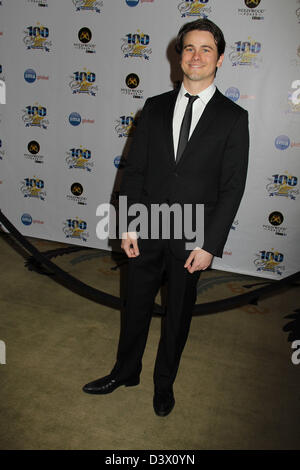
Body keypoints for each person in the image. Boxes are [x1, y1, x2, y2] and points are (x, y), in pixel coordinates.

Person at [83, 19, 249, 417]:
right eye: (189, 48)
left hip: (193, 235)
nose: (196, 56)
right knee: (135, 304)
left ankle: (164, 384)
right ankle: (126, 371)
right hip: (147, 225)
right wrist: (126, 224)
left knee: (177, 317)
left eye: (205, 49)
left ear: (220, 58)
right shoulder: (154, 106)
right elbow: (135, 170)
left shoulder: (232, 117)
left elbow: (232, 188)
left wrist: (210, 245)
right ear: (179, 57)